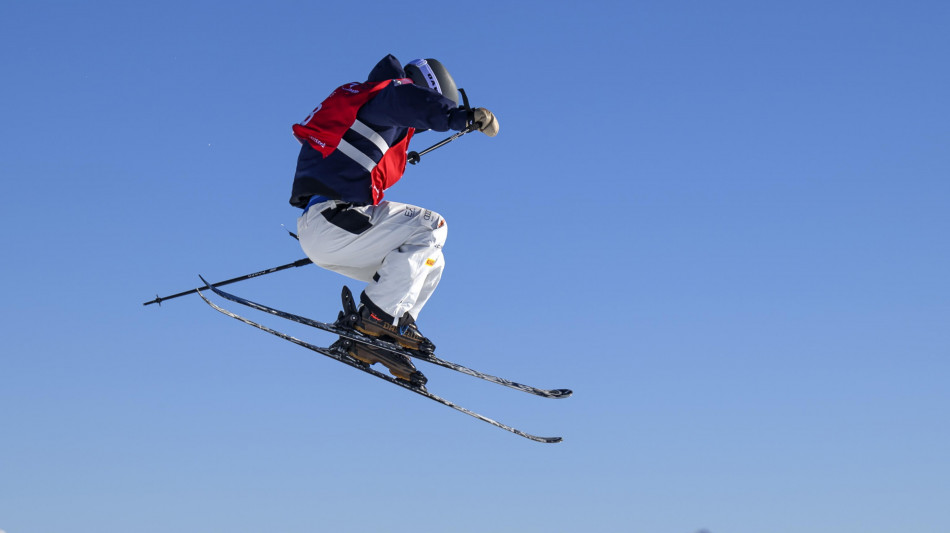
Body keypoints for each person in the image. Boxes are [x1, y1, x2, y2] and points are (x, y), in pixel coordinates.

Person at [290, 54, 498, 383]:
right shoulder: (390, 92)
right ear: (426, 89)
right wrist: (461, 116)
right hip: (332, 219)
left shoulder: (372, 108)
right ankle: (376, 317)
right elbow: (409, 101)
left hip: (334, 230)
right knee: (433, 225)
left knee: (432, 260)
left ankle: (388, 333)